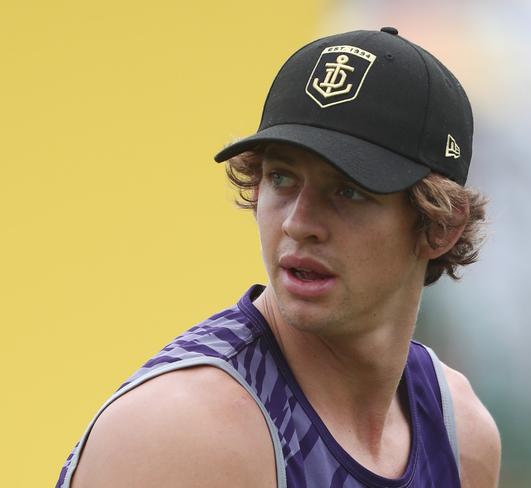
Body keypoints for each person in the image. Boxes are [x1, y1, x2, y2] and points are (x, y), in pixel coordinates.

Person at [57, 27, 501, 488]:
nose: (297, 222)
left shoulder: (460, 436)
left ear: (440, 226)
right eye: (281, 178)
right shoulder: (183, 433)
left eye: (349, 191)